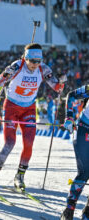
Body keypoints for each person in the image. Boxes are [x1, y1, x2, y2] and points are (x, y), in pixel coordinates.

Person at [0, 43, 66, 191]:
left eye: (38, 61)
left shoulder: (43, 69)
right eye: (33, 61)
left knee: (28, 143)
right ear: (26, 58)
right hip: (11, 107)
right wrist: (5, 75)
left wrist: (61, 82)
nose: (35, 65)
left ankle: (20, 176)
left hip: (29, 109)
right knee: (9, 143)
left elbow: (57, 88)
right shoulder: (17, 66)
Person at [60, 84, 89, 220]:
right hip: (85, 129)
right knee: (85, 172)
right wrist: (69, 117)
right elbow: (71, 95)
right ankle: (69, 210)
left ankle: (87, 211)